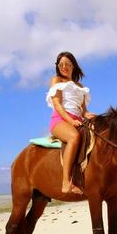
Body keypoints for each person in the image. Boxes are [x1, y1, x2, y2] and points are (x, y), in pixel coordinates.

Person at [46, 52, 96, 194]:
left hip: (78, 120)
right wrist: (70, 121)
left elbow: (83, 110)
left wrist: (88, 115)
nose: (64, 67)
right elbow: (58, 105)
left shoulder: (80, 86)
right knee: (74, 137)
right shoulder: (57, 80)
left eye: (67, 64)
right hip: (60, 120)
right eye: (61, 64)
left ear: (73, 66)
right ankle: (66, 181)